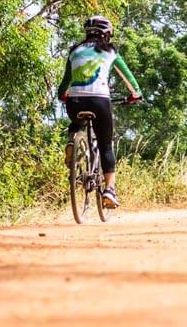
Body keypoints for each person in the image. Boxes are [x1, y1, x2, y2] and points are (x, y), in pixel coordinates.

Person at [57, 15, 142, 208]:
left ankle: (73, 139)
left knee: (76, 121)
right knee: (105, 146)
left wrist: (63, 95)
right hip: (100, 101)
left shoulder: (74, 51)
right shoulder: (110, 52)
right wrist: (135, 95)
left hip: (75, 102)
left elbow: (64, 85)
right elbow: (130, 81)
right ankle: (110, 191)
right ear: (106, 34)